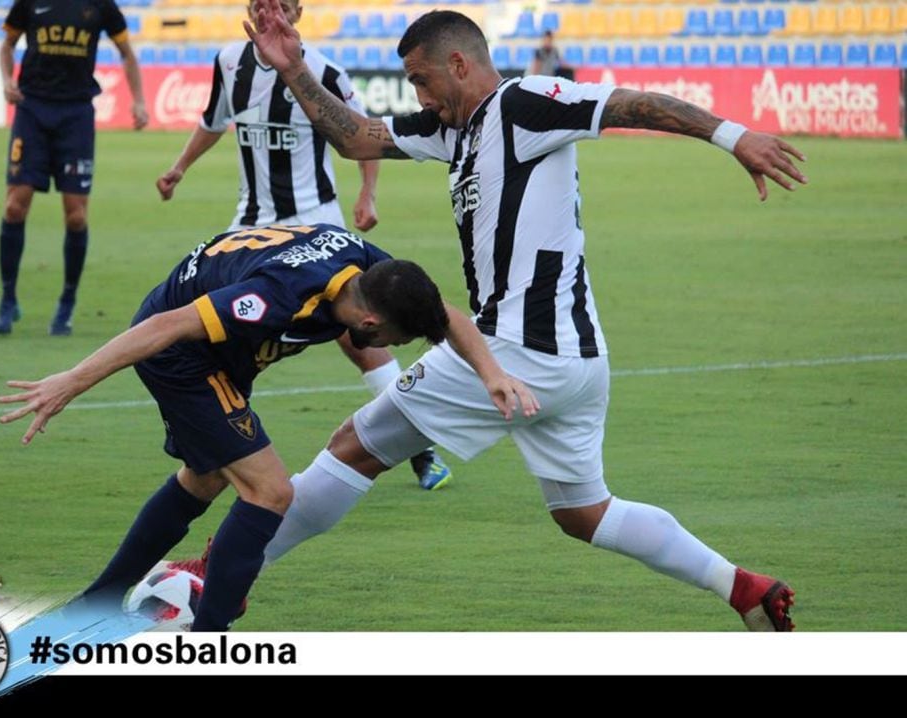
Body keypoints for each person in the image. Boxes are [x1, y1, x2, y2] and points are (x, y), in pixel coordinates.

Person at [239, 3, 807, 630]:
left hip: (519, 347)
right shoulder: (451, 128)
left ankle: (219, 575)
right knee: (583, 512)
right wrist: (292, 66)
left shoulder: (526, 102)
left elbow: (631, 105)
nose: (420, 97)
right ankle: (746, 589)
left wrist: (735, 137)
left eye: (423, 80)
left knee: (353, 448)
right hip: (575, 361)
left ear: (459, 64)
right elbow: (354, 137)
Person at [0, 223, 536, 631]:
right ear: (370, 322)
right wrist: (71, 380)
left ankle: (96, 602)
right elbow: (164, 327)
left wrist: (492, 374)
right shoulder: (280, 296)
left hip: (228, 354)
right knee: (270, 490)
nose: (393, 349)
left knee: (206, 477)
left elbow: (446, 316)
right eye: (395, 340)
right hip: (183, 353)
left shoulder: (371, 269)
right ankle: (211, 637)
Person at [155, 0, 452, 491]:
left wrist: (367, 194)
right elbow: (213, 120)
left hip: (316, 225)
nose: (271, 10)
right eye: (261, 3)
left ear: (297, 12)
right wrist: (180, 167)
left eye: (281, 4)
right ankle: (210, 451)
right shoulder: (230, 62)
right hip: (251, 229)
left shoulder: (325, 73)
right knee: (217, 336)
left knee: (359, 340)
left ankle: (421, 451)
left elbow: (363, 132)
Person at [0, 0, 148, 337]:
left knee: (76, 215)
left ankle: (67, 302)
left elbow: (127, 53)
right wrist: (7, 79)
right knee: (14, 206)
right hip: (31, 111)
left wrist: (138, 99)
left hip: (75, 115)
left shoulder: (101, 6)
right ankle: (7, 299)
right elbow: (7, 44)